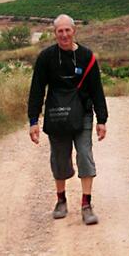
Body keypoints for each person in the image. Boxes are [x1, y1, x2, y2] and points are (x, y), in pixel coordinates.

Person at [28, 14, 108, 225]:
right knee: (60, 158)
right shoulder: (46, 58)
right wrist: (33, 121)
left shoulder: (86, 56)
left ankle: (86, 204)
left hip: (82, 113)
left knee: (84, 154)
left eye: (67, 30)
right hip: (57, 115)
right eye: (59, 31)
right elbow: (36, 89)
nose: (64, 35)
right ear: (55, 34)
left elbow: (96, 90)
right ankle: (61, 200)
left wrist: (102, 119)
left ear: (74, 31)